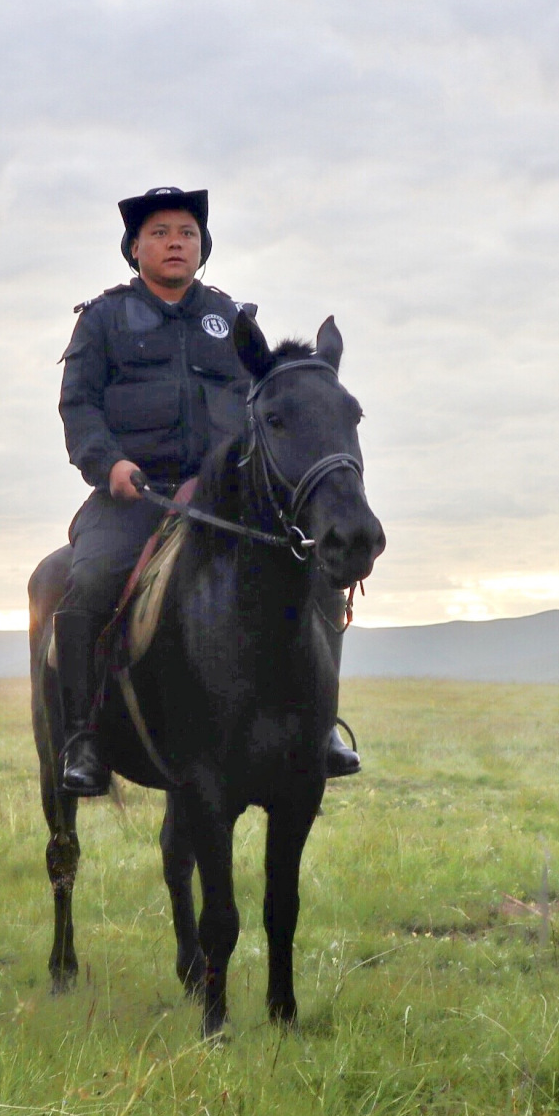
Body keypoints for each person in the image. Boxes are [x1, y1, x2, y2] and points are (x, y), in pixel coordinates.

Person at [52, 186, 362, 796]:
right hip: (138, 496)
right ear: (135, 247)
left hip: (227, 497)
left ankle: (318, 724)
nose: (176, 242)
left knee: (318, 570)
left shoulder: (234, 321)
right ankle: (83, 736)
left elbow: (269, 405)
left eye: (187, 233)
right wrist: (109, 464)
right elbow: (78, 406)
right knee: (88, 583)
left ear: (203, 246)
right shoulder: (104, 319)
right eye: (162, 233)